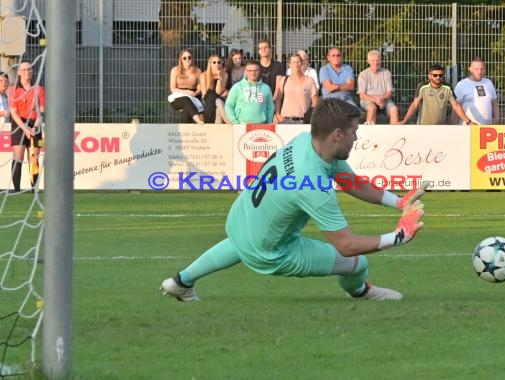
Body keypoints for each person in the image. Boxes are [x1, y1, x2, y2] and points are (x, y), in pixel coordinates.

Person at [160, 98, 427, 302]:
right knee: (357, 265)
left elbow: (351, 182)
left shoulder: (306, 143)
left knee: (242, 241)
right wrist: (398, 237)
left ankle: (181, 282)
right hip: (271, 252)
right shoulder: (313, 185)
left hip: (242, 219)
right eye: (353, 131)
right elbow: (346, 245)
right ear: (336, 134)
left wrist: (400, 202)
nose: (356, 137)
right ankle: (361, 292)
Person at [8, 61, 45, 192]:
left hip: (35, 124)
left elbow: (41, 112)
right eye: (23, 70)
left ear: (32, 71)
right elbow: (14, 113)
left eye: (29, 69)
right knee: (18, 157)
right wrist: (25, 128)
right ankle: (17, 189)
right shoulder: (13, 91)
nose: (26, 72)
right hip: (19, 125)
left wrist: (34, 128)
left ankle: (33, 188)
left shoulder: (39, 89)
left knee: (34, 157)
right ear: (18, 72)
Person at [398, 64, 472, 125]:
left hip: (440, 127)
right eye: (435, 75)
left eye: (440, 75)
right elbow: (414, 104)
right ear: (429, 76)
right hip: (423, 126)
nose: (438, 77)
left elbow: (456, 105)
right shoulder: (423, 87)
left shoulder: (447, 87)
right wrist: (405, 120)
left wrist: (468, 122)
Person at [453, 57, 500, 125]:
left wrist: (496, 119)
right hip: (468, 128)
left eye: (482, 69)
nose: (479, 72)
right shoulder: (461, 85)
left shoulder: (489, 83)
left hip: (487, 128)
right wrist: (455, 127)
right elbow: (455, 109)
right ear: (469, 69)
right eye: (476, 69)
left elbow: (494, 103)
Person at [273, 54, 318, 124]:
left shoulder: (310, 80)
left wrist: (310, 117)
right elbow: (278, 99)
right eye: (293, 62)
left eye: (298, 62)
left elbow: (315, 102)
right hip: (285, 120)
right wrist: (278, 115)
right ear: (289, 65)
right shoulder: (283, 80)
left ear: (302, 63)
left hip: (304, 121)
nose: (296, 64)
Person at [357, 50, 399, 124]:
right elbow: (362, 95)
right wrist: (376, 100)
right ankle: (370, 133)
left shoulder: (386, 73)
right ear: (368, 61)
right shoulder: (363, 74)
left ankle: (394, 134)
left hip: (384, 99)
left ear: (380, 61)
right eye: (373, 60)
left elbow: (389, 92)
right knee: (372, 108)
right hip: (368, 100)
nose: (375, 62)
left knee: (394, 109)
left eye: (377, 60)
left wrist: (382, 99)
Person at [168, 49, 204, 124]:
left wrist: (195, 93)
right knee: (186, 99)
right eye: (184, 58)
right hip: (178, 96)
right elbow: (172, 88)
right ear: (181, 60)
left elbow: (199, 88)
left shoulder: (198, 71)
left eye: (189, 57)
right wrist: (186, 92)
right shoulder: (175, 70)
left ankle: (185, 130)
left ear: (192, 58)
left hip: (193, 96)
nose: (187, 59)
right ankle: (198, 120)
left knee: (187, 109)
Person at [199, 55, 230, 123]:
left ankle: (216, 126)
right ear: (210, 64)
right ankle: (229, 122)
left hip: (219, 98)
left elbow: (218, 92)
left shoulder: (225, 75)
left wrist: (219, 78)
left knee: (218, 101)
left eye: (219, 62)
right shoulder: (203, 75)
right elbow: (205, 94)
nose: (217, 64)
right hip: (206, 100)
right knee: (213, 95)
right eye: (214, 62)